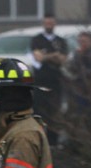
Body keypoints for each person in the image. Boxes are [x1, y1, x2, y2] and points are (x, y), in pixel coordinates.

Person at [29, 15, 68, 144]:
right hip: (40, 81)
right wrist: (54, 55)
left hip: (56, 81)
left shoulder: (61, 41)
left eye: (51, 23)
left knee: (54, 111)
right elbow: (38, 57)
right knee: (39, 110)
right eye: (47, 22)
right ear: (43, 23)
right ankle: (39, 139)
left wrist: (46, 56)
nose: (49, 25)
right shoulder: (37, 40)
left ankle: (53, 141)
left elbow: (63, 59)